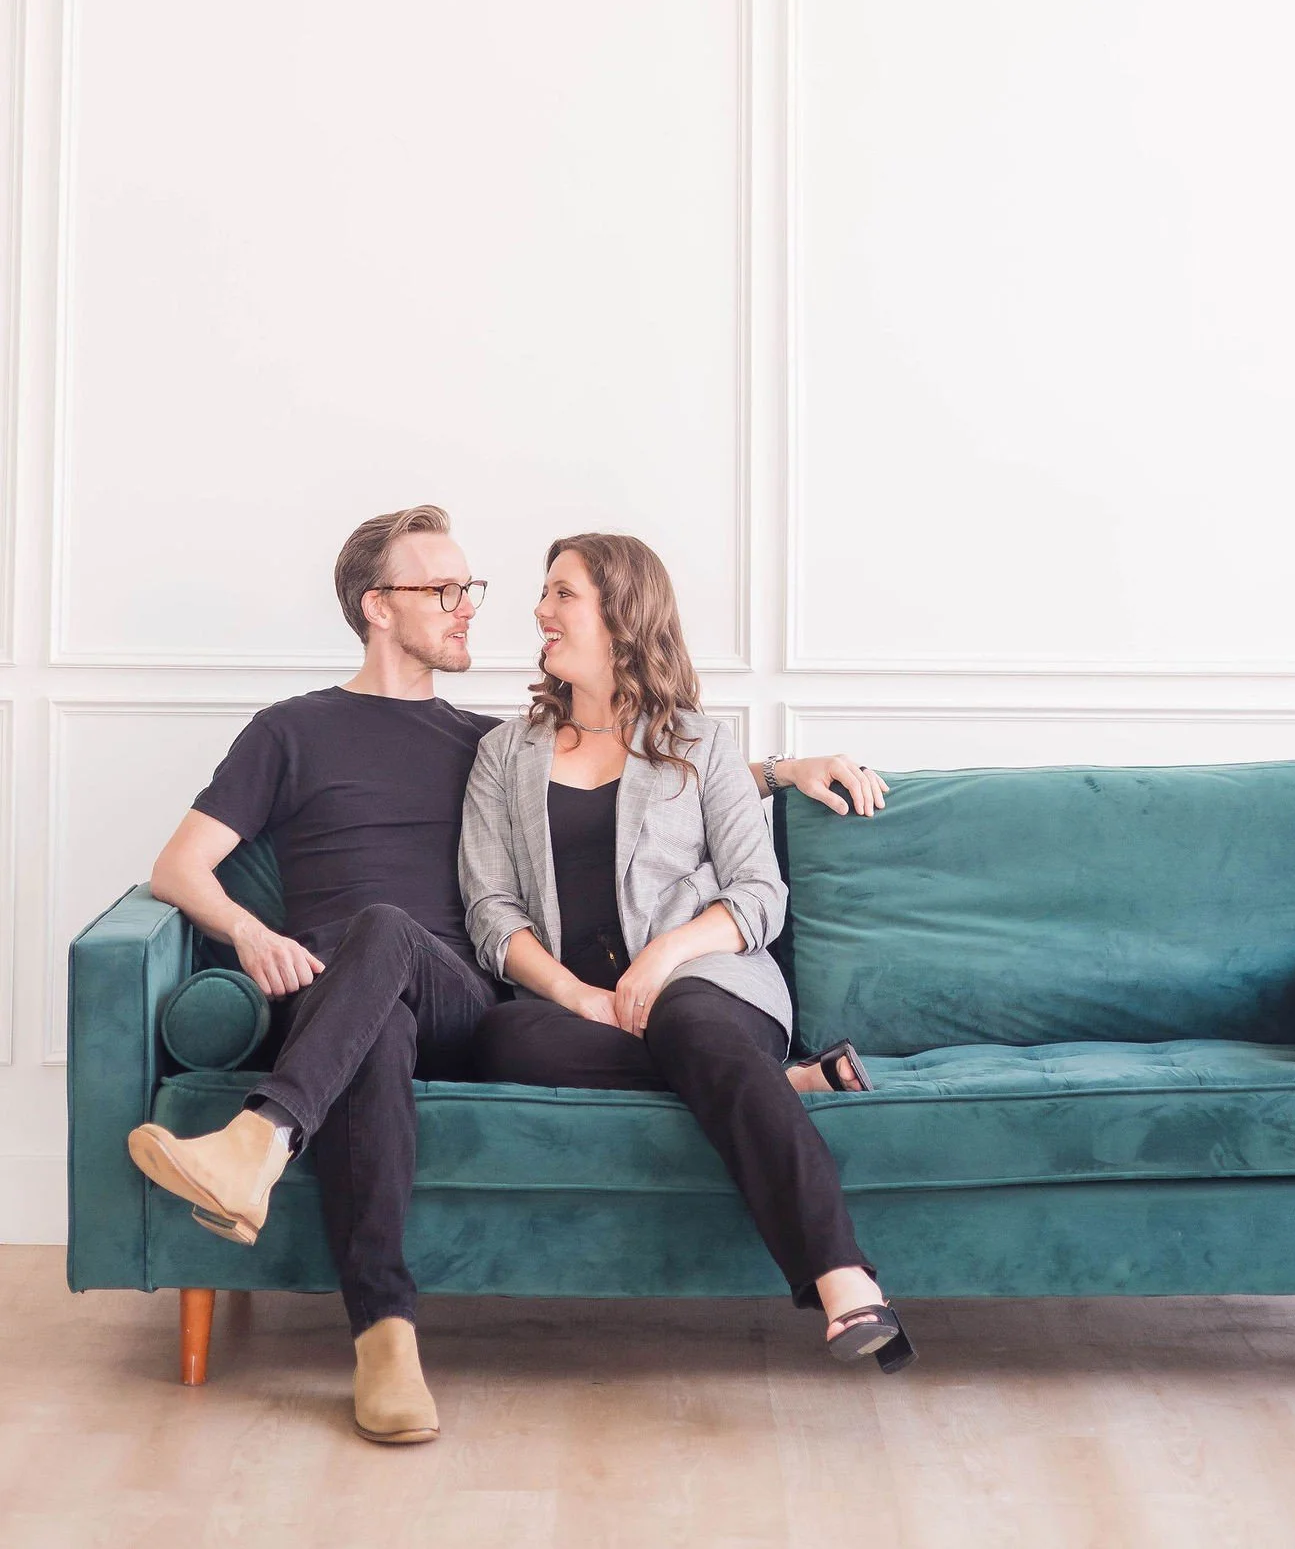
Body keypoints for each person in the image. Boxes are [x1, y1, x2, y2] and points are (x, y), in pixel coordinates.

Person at [125, 505, 893, 1445]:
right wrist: (249, 932)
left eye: (472, 588)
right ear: (376, 606)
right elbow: (177, 869)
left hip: (459, 992)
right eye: (442, 589)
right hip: (348, 1001)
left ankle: (260, 1138)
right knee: (374, 1015)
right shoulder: (302, 731)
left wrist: (782, 768)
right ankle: (387, 1344)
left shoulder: (475, 738)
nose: (470, 607)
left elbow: (629, 753)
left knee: (393, 936)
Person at [461, 533, 915, 1372]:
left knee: (696, 1028)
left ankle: (843, 1277)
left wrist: (663, 955)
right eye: (545, 592)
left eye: (562, 594)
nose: (540, 610)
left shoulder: (703, 746)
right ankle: (779, 1084)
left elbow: (757, 894)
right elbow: (491, 910)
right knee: (498, 1040)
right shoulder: (504, 755)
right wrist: (579, 996)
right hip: (584, 1012)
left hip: (705, 983)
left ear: (621, 617)